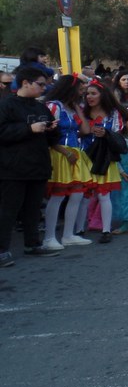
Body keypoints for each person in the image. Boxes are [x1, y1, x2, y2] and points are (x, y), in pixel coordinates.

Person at [0, 66, 60, 267]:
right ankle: (2, 250)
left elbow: (53, 138)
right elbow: (2, 132)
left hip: (38, 165)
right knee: (8, 211)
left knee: (33, 209)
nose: (44, 88)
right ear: (25, 83)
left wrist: (52, 129)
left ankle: (32, 244)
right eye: (40, 84)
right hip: (13, 168)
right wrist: (28, 129)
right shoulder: (6, 105)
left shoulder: (40, 107)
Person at [41, 76, 93, 250]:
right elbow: (47, 135)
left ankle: (68, 235)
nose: (82, 93)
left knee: (77, 194)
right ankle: (49, 237)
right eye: (80, 90)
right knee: (58, 195)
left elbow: (85, 130)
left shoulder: (73, 108)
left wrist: (78, 108)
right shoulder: (54, 106)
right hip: (59, 153)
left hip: (74, 153)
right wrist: (65, 152)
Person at [79, 80, 126, 243]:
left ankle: (106, 230)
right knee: (83, 195)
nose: (89, 97)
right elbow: (73, 132)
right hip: (84, 156)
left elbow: (118, 134)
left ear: (103, 95)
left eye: (93, 93)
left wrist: (105, 133)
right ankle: (79, 228)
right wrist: (85, 131)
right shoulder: (81, 112)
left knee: (104, 194)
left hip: (104, 157)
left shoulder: (114, 114)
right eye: (87, 94)